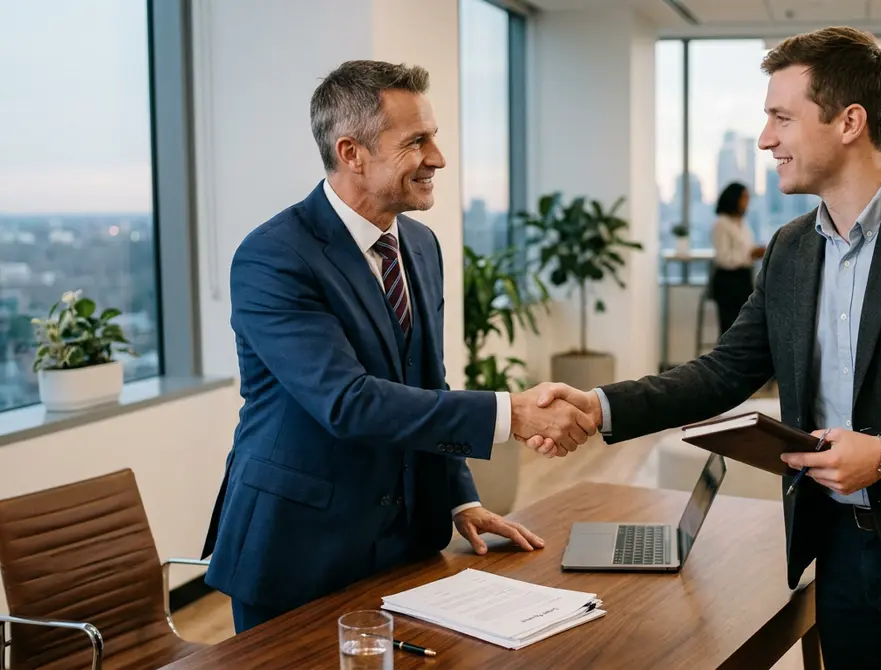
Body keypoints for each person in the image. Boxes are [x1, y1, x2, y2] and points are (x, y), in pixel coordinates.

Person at [528, 27, 881, 670]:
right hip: (836, 553)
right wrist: (596, 406)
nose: (765, 140)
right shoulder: (790, 249)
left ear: (848, 122)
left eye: (781, 117)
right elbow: (726, 370)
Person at [200, 60, 596, 633]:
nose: (437, 157)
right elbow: (348, 402)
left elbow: (424, 384)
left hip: (404, 541)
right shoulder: (273, 257)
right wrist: (512, 412)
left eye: (433, 137)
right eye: (417, 141)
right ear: (351, 152)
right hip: (297, 549)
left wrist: (460, 497)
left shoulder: (420, 243)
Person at [710, 182, 765, 334]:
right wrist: (749, 255)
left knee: (744, 328)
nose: (747, 202)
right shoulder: (721, 224)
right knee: (730, 328)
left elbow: (746, 248)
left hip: (743, 280)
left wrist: (755, 252)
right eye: (744, 197)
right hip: (728, 282)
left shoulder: (742, 223)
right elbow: (723, 258)